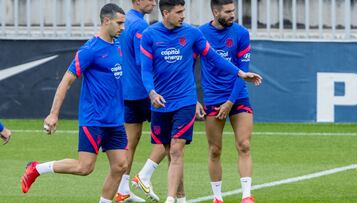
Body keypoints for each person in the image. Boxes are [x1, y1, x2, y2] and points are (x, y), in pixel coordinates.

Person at [140, 1, 262, 203]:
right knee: (186, 149)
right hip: (174, 100)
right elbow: (149, 69)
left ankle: (245, 195)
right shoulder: (151, 35)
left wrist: (240, 74)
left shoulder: (195, 33)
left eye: (184, 11)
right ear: (166, 13)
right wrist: (151, 93)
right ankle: (189, 197)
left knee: (181, 148)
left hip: (206, 99)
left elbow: (214, 57)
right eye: (179, 12)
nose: (183, 16)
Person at [21, 4, 127, 203]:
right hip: (94, 118)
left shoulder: (117, 46)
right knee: (84, 168)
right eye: (120, 23)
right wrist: (53, 114)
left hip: (115, 119)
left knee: (120, 165)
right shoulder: (89, 50)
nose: (123, 28)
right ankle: (36, 169)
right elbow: (66, 81)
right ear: (106, 21)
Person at [197, 0, 257, 202]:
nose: (233, 14)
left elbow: (244, 71)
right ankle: (217, 197)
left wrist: (231, 101)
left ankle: (247, 196)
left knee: (244, 144)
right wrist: (194, 100)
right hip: (213, 97)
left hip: (238, 96)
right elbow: (188, 65)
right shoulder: (201, 33)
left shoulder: (241, 33)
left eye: (234, 10)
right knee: (215, 150)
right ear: (215, 11)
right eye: (228, 11)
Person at [114, 1, 166, 202]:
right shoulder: (140, 26)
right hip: (146, 92)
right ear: (136, 1)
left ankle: (123, 190)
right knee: (171, 137)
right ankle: (145, 176)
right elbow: (142, 60)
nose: (154, 3)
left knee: (130, 142)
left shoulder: (123, 20)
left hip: (127, 92)